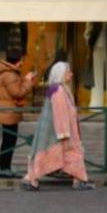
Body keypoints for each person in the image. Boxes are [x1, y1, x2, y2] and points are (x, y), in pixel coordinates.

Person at [22, 58, 95, 191]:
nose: (71, 74)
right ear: (61, 74)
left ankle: (77, 180)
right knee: (65, 154)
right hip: (60, 132)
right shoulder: (59, 91)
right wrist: (64, 133)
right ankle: (32, 179)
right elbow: (60, 112)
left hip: (56, 131)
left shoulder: (59, 89)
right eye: (68, 72)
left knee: (54, 155)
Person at [0, 48, 35, 179]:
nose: (23, 62)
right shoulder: (10, 75)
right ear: (18, 60)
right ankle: (4, 169)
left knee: (8, 140)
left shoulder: (6, 73)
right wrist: (28, 81)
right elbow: (17, 93)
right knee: (9, 141)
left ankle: (4, 167)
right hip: (9, 113)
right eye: (22, 59)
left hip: (7, 111)